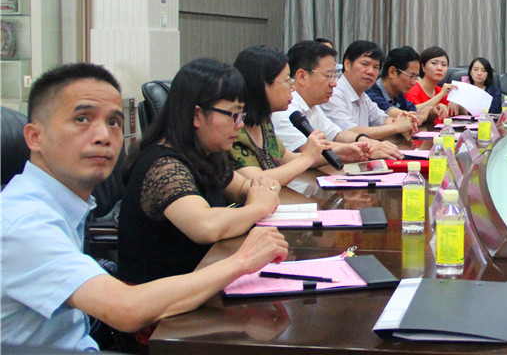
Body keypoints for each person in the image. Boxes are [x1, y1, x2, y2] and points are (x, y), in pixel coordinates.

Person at [1, 63, 288, 351]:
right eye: (82, 119)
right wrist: (242, 260)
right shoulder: (24, 222)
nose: (103, 136)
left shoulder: (62, 205)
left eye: (114, 122)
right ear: (35, 137)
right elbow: (125, 309)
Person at [117, 58, 285, 285]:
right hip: (160, 298)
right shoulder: (163, 165)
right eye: (233, 115)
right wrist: (259, 206)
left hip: (198, 283)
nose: (239, 125)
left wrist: (262, 188)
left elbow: (244, 187)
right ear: (197, 115)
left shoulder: (204, 153)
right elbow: (206, 226)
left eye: (241, 115)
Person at [270, 41, 400, 161]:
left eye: (334, 76)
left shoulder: (313, 107)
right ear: (302, 76)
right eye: (328, 76)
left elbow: (337, 134)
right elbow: (307, 152)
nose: (334, 84)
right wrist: (363, 149)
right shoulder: (285, 110)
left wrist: (365, 142)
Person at [230, 45, 335, 185]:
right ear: (261, 84)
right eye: (287, 81)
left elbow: (288, 159)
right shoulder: (234, 127)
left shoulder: (264, 123)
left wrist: (342, 153)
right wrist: (307, 157)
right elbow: (256, 181)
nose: (293, 88)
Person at [322, 40, 417, 139]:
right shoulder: (333, 93)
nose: (371, 72)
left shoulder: (363, 96)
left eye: (376, 67)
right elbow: (350, 132)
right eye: (365, 64)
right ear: (347, 64)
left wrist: (404, 120)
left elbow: (382, 119)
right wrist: (396, 127)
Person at [366, 45, 439, 123]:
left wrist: (433, 111)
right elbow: (405, 116)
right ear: (392, 72)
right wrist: (420, 115)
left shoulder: (398, 94)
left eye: (416, 77)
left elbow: (416, 111)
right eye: (411, 76)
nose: (414, 82)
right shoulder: (371, 94)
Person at [405, 45, 460, 121]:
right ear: (423, 67)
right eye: (434, 63)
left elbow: (459, 113)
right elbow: (413, 111)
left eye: (444, 65)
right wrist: (441, 95)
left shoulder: (441, 90)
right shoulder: (412, 88)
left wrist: (456, 101)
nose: (440, 68)